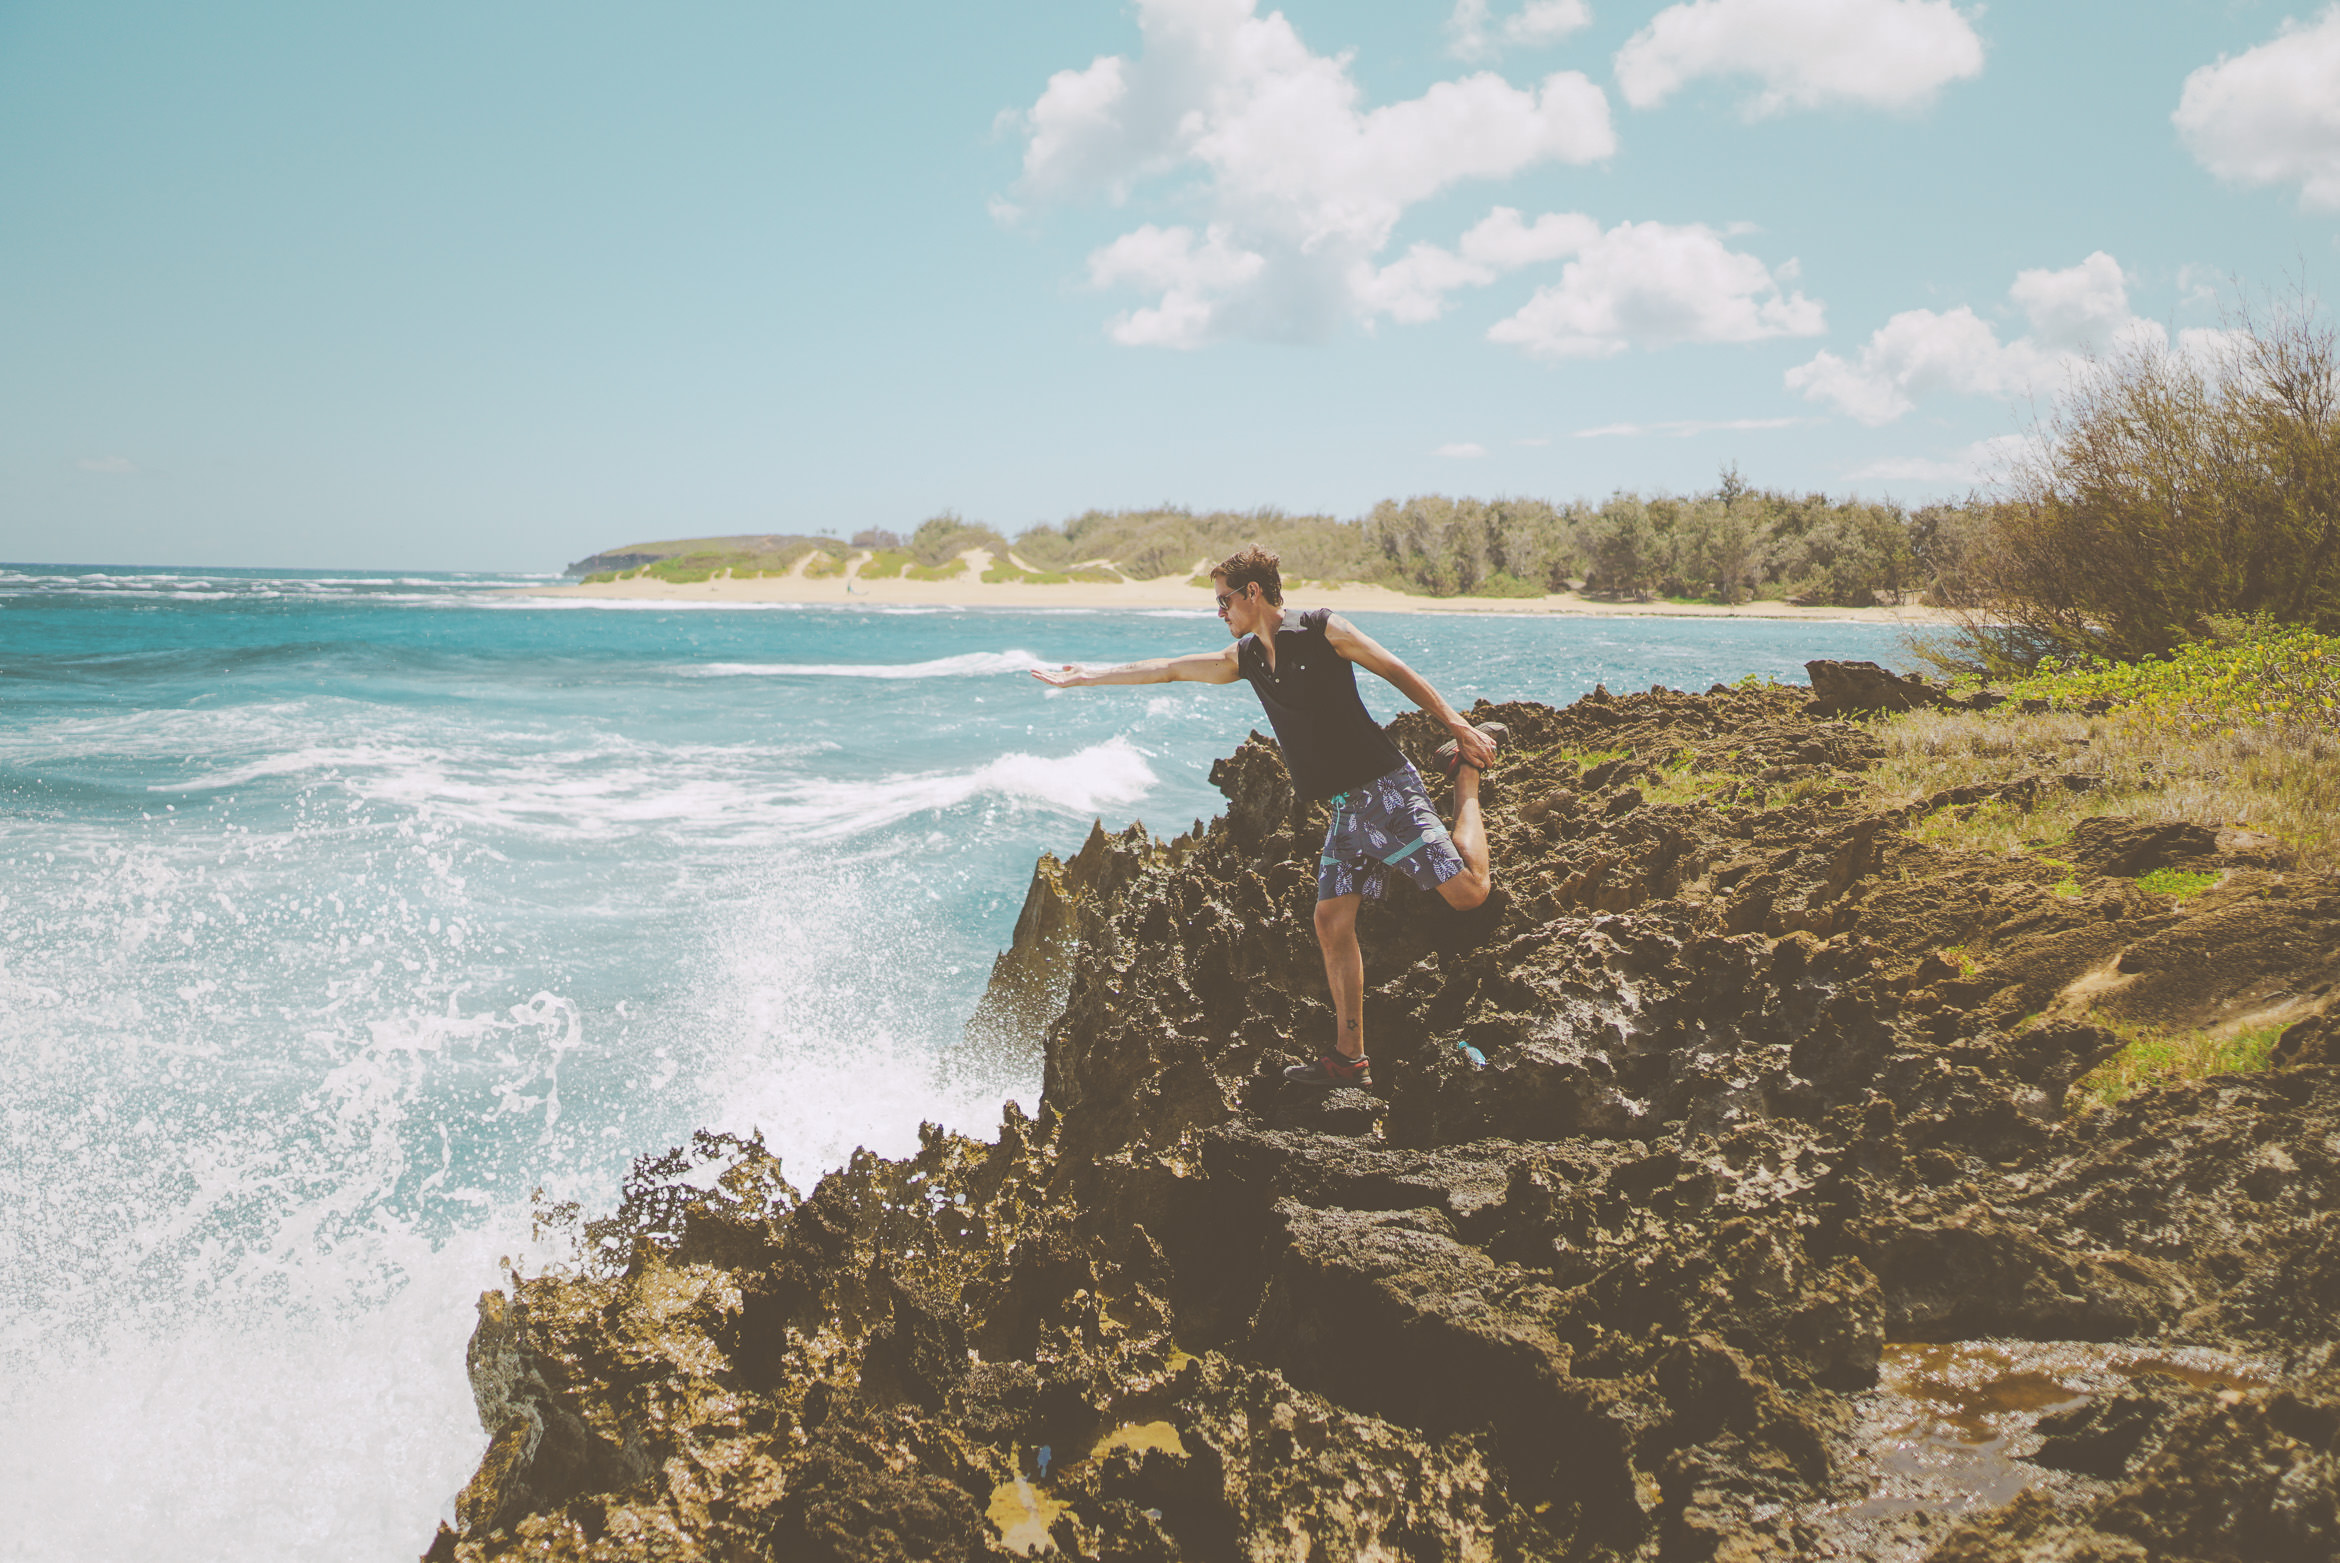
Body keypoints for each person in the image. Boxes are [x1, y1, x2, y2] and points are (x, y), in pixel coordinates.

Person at [1032, 544, 1504, 1088]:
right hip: (1346, 811)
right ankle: (1350, 1059)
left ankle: (1465, 777)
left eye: (1223, 600)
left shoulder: (1323, 629)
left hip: (1385, 792)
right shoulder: (1248, 659)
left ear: (1252, 592)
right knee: (1330, 922)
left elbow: (1394, 669)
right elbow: (1167, 669)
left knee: (1470, 892)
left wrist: (1457, 726)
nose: (1220, 612)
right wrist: (1088, 676)